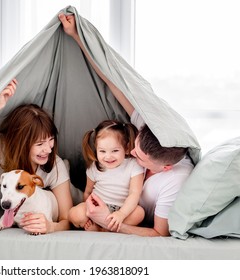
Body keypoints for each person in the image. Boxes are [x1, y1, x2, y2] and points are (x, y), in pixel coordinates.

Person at [59, 13, 194, 237]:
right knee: (76, 212)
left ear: (165, 168)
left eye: (139, 156)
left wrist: (112, 222)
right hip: (102, 206)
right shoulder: (147, 130)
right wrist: (78, 37)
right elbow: (113, 81)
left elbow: (160, 233)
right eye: (135, 145)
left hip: (125, 215)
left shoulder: (175, 181)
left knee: (136, 212)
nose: (131, 152)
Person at [0, 78, 73, 234]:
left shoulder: (54, 164)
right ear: (21, 142)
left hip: (60, 191)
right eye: (39, 144)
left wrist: (51, 226)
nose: (48, 150)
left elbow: (67, 219)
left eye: (51, 141)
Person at [68, 120, 145, 232]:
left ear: (127, 148)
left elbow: (134, 193)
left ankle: (103, 228)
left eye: (115, 150)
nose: (108, 156)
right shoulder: (94, 167)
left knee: (139, 213)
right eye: (102, 151)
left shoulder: (133, 165)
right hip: (98, 207)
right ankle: (101, 226)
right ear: (96, 149)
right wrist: (90, 211)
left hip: (121, 210)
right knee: (74, 214)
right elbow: (88, 192)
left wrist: (121, 214)